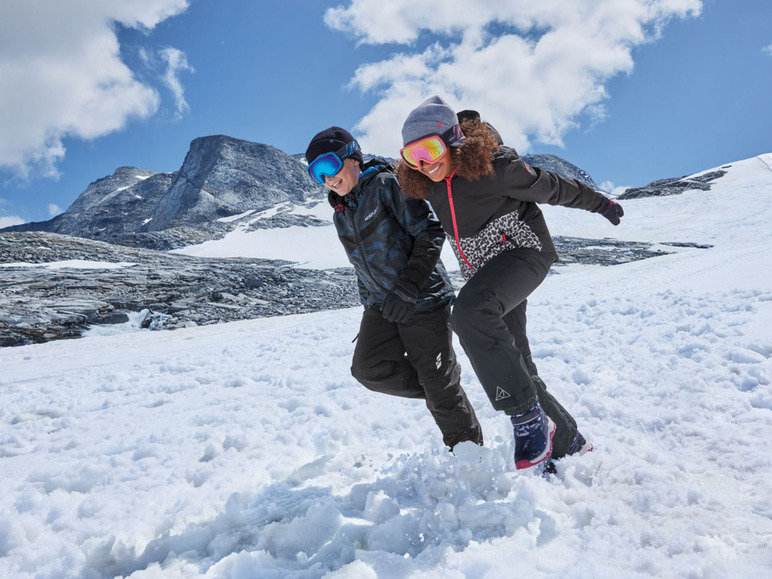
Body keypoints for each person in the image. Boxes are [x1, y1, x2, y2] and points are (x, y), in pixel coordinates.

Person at [397, 96, 624, 470]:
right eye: (412, 157)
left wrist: (599, 202)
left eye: (430, 149)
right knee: (516, 364)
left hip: (525, 252)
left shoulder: (494, 167)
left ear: (452, 139)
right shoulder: (429, 185)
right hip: (487, 274)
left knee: (469, 313)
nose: (424, 163)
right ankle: (568, 441)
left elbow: (552, 187)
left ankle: (527, 419)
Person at [304, 126, 483, 451]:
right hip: (382, 306)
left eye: (329, 166)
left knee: (439, 389)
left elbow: (430, 232)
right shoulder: (342, 213)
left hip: (424, 298)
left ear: (352, 157)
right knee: (367, 369)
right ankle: (442, 382)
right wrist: (370, 304)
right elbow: (362, 264)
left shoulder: (387, 184)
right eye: (316, 173)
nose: (327, 178)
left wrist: (408, 287)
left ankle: (472, 462)